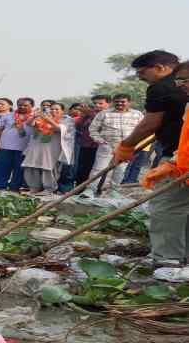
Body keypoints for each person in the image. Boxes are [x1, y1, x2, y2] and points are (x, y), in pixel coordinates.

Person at [117, 50, 189, 266]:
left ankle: (168, 260)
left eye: (142, 73)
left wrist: (126, 145)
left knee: (168, 206)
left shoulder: (160, 88)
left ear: (159, 68)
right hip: (178, 157)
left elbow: (150, 123)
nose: (180, 86)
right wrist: (175, 160)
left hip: (178, 159)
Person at [82, 93, 144, 195]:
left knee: (120, 170)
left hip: (126, 147)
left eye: (123, 102)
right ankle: (90, 191)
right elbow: (93, 129)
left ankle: (114, 192)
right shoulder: (104, 114)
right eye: (117, 102)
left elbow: (142, 129)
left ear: (129, 102)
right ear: (113, 103)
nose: (119, 104)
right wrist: (100, 140)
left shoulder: (137, 114)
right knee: (99, 169)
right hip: (107, 146)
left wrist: (136, 143)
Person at [21, 103, 75, 195]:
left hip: (52, 147)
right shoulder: (42, 117)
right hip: (37, 145)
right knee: (31, 165)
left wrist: (47, 119)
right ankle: (34, 188)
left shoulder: (67, 120)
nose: (54, 111)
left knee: (48, 167)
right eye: (52, 109)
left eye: (57, 109)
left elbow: (59, 129)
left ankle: (49, 189)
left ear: (62, 111)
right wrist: (34, 116)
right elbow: (28, 124)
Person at [0, 97, 34, 191]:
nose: (22, 107)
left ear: (32, 106)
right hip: (5, 146)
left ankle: (14, 188)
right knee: (2, 167)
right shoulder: (8, 116)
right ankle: (0, 187)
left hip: (25, 148)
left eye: (25, 105)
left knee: (19, 169)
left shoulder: (35, 117)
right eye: (20, 105)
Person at [75, 95, 111, 186]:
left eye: (100, 103)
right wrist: (84, 115)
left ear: (108, 104)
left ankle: (96, 188)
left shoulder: (110, 114)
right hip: (86, 145)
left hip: (101, 146)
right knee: (83, 169)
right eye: (95, 103)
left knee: (99, 169)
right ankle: (80, 189)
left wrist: (90, 113)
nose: (97, 105)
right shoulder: (89, 114)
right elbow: (78, 125)